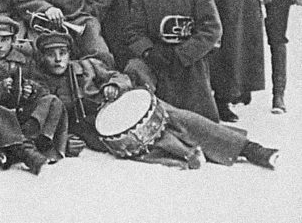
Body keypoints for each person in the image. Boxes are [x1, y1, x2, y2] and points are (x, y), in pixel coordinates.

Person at [31, 31, 280, 170]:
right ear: (42, 58)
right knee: (145, 144)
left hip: (123, 104)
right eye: (51, 55)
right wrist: (65, 140)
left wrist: (112, 85)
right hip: (99, 131)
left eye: (62, 53)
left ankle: (251, 149)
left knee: (180, 119)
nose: (58, 60)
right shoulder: (41, 84)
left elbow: (119, 76)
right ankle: (187, 155)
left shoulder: (86, 66)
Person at [123, 0, 223, 122]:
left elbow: (211, 29)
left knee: (198, 120)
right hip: (156, 60)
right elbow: (133, 30)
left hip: (189, 61)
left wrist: (183, 54)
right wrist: (148, 51)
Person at [0, 16, 68, 175]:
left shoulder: (26, 63)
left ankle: (18, 147)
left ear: (13, 40)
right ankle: (28, 154)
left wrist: (32, 91)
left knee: (52, 101)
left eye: (4, 40)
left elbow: (44, 91)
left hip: (23, 125)